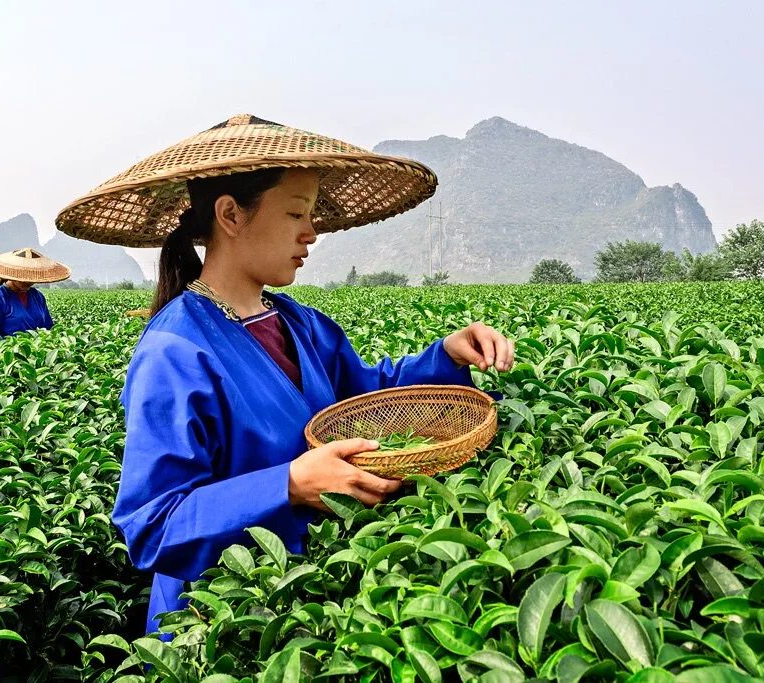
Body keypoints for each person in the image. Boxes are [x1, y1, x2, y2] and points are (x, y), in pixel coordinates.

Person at [55, 114, 516, 634]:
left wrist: (447, 356)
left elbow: (367, 396)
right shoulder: (175, 352)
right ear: (231, 214)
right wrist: (289, 484)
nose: (312, 233)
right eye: (297, 213)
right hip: (220, 627)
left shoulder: (297, 321)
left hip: (309, 601)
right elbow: (153, 527)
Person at [0, 248, 70, 339]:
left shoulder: (37, 296)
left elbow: (48, 327)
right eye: (22, 276)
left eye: (31, 276)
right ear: (12, 273)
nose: (27, 281)